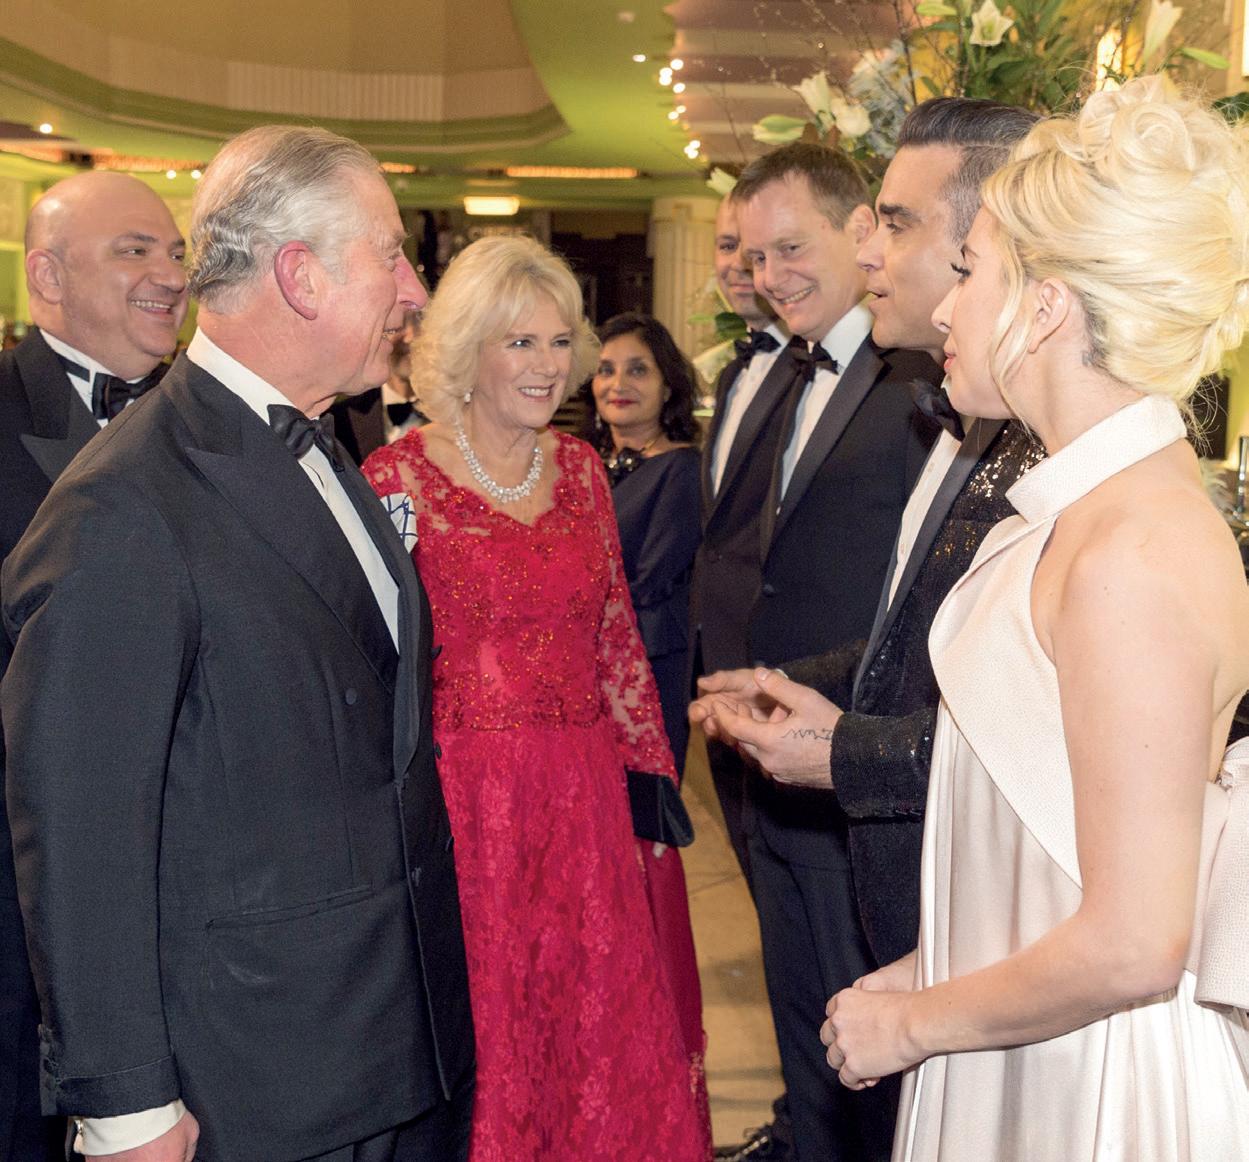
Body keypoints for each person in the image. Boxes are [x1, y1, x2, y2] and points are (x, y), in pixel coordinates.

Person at [1, 125, 475, 1162]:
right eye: (391, 256)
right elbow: (81, 832)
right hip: (263, 1081)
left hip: (401, 1045)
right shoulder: (122, 506)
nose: (413, 291)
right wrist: (126, 1107)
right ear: (300, 276)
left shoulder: (325, 439)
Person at [821, 78, 1249, 1159]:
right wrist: (930, 971)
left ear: (1046, 306)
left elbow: (1135, 942)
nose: (945, 307)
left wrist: (913, 1024)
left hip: (1092, 1084)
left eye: (969, 271)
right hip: (1034, 1041)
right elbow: (1050, 849)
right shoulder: (1082, 510)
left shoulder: (1131, 548)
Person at [362, 236, 711, 1161]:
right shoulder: (396, 480)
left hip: (582, 800)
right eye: (520, 342)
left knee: (592, 1027)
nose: (548, 366)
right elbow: (371, 667)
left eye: (560, 343)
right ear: (466, 349)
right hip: (465, 809)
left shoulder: (583, 469)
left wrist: (647, 787)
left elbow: (614, 638)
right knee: (492, 1029)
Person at [692, 99, 1043, 979]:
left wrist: (843, 751)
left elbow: (1044, 745)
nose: (869, 253)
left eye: (895, 224)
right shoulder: (954, 406)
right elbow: (916, 635)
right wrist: (785, 685)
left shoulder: (1050, 460)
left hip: (963, 891)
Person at [725, 143, 939, 1162]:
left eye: (790, 248)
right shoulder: (780, 369)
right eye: (754, 257)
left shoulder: (925, 375)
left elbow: (923, 597)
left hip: (861, 760)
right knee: (803, 1030)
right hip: (772, 758)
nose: (769, 276)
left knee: (868, 1051)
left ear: (859, 230)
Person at [0, 171, 188, 1162]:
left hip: (193, 887)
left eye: (177, 252)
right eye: (135, 250)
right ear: (47, 277)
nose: (171, 274)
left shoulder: (212, 421)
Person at [586, 312, 701, 770]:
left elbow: (651, 580)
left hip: (646, 662)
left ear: (667, 386)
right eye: (606, 370)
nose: (619, 384)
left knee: (640, 798)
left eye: (638, 370)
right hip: (581, 660)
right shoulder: (581, 464)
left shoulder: (682, 468)